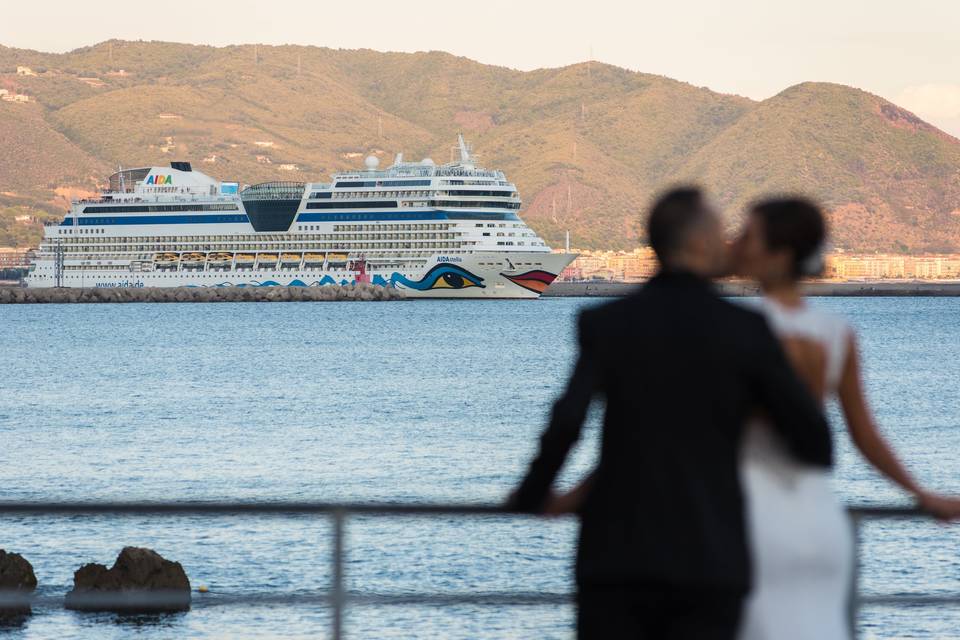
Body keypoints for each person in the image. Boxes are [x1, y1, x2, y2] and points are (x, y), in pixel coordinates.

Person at [507, 187, 833, 640]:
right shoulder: (746, 330)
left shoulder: (607, 323)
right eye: (721, 234)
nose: (728, 245)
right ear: (698, 244)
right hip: (711, 562)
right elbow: (815, 444)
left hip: (616, 561)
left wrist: (531, 496)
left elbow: (566, 423)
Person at [730, 197, 960, 640]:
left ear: (778, 254)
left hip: (745, 520)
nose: (735, 243)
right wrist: (920, 493)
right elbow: (865, 435)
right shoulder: (834, 332)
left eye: (747, 235)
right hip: (818, 520)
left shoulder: (734, 328)